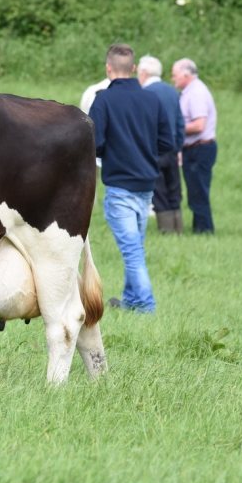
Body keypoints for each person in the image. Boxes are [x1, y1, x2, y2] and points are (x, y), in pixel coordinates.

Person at [89, 44, 174, 313]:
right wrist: (144, 154)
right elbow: (167, 142)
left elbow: (95, 143)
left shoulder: (103, 100)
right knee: (135, 245)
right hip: (146, 185)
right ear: (134, 69)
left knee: (132, 252)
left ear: (108, 69)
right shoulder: (152, 99)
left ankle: (147, 306)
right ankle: (132, 301)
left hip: (120, 187)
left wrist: (115, 151)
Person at [138, 55, 185, 234]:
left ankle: (166, 230)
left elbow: (142, 125)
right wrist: (178, 146)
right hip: (171, 149)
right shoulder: (172, 91)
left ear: (143, 73)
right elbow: (180, 123)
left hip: (153, 150)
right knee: (174, 188)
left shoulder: (144, 94)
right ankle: (178, 228)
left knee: (159, 190)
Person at [171, 58, 217, 234]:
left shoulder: (196, 92)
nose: (173, 78)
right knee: (195, 191)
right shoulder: (190, 91)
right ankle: (200, 228)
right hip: (195, 148)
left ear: (185, 74)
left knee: (198, 192)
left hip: (200, 149)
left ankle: (204, 230)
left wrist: (176, 129)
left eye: (174, 75)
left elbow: (199, 125)